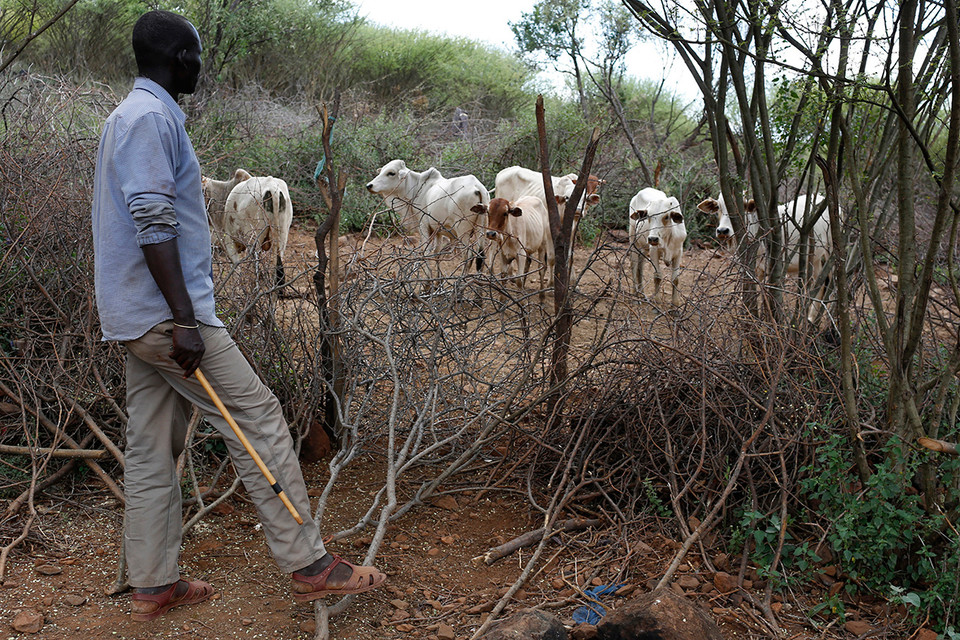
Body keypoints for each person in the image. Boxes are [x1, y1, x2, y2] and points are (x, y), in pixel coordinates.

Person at [91, 9, 385, 621]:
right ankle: (309, 564)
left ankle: (152, 585)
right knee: (259, 420)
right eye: (194, 54)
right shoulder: (149, 119)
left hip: (134, 319)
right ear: (177, 59)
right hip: (168, 320)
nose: (200, 64)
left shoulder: (134, 115)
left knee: (149, 449)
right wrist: (186, 319)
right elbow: (151, 219)